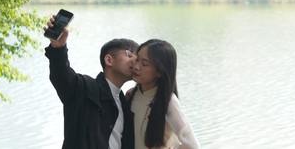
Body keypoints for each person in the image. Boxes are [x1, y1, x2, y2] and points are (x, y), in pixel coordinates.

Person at [44, 14, 139, 149]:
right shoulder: (85, 88)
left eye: (138, 59)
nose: (135, 61)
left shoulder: (126, 104)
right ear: (109, 60)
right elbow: (62, 77)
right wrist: (59, 48)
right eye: (129, 54)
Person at [127, 39, 200, 149]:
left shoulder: (169, 102)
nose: (136, 67)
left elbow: (193, 145)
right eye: (137, 59)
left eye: (144, 64)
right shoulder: (131, 95)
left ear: (160, 72)